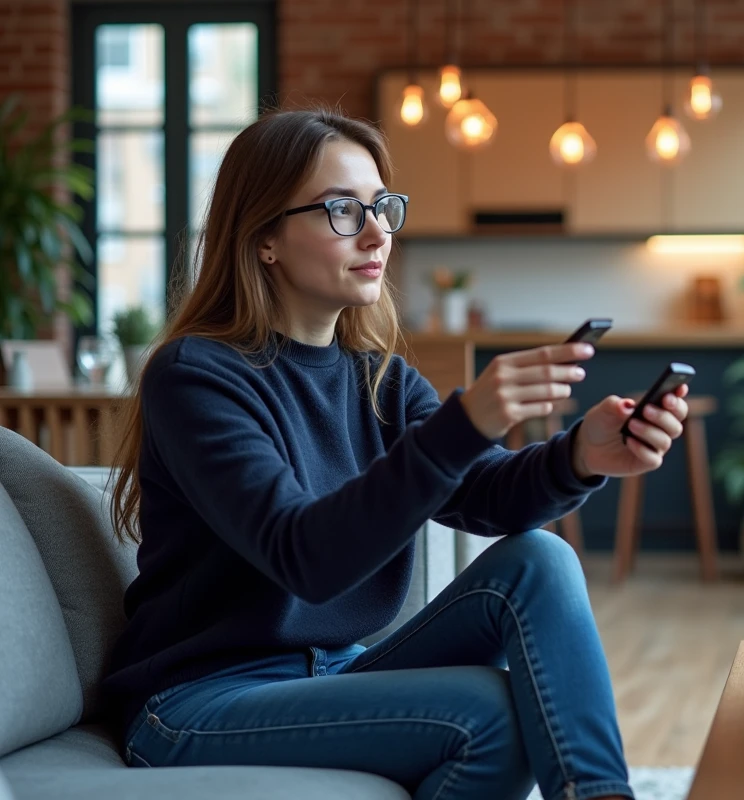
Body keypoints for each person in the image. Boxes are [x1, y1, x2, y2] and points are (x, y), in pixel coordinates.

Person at [99, 107, 690, 800]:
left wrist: (580, 459)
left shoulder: (377, 377)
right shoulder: (195, 376)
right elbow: (307, 559)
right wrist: (466, 421)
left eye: (383, 206)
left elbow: (487, 495)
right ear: (265, 238)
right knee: (489, 716)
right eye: (344, 209)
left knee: (541, 558)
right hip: (198, 701)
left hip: (340, 670)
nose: (378, 230)